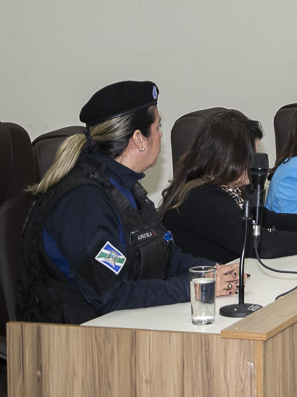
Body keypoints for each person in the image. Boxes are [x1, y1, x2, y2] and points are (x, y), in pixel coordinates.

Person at [16, 80, 239, 325]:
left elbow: (166, 258)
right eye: (157, 126)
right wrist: (196, 287)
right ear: (138, 139)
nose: (161, 135)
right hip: (76, 342)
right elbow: (112, 295)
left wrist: (212, 272)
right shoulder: (84, 202)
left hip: (124, 327)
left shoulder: (125, 187)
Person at [160, 111, 297, 265]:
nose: (255, 163)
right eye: (251, 155)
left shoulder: (231, 189)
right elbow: (260, 245)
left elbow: (271, 220)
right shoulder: (203, 198)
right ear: (229, 156)